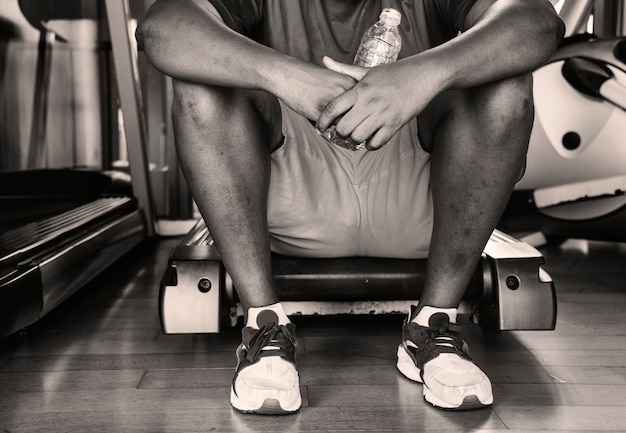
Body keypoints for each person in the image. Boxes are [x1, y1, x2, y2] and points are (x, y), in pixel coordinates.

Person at [137, 0, 564, 414]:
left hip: (417, 191)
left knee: (506, 81)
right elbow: (162, 28)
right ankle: (263, 324)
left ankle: (432, 325)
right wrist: (289, 77)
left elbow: (538, 22)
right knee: (199, 75)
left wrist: (419, 75)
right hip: (293, 193)